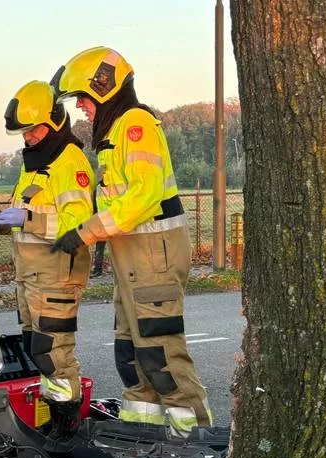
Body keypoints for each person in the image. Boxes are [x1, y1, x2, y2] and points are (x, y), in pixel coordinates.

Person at [51, 47, 212, 434]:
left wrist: (86, 232)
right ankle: (145, 434)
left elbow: (142, 196)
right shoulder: (117, 131)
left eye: (84, 100)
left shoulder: (135, 124)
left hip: (152, 256)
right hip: (133, 259)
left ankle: (198, 438)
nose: (83, 110)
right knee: (131, 352)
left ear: (103, 88)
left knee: (159, 351)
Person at [0, 80, 95, 443]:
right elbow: (27, 215)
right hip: (29, 276)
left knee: (54, 352)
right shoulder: (34, 164)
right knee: (38, 349)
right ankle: (54, 421)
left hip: (57, 275)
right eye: (23, 132)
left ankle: (67, 428)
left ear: (55, 122)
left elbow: (80, 222)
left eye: (34, 130)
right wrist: (0, 222)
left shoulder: (69, 161)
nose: (28, 137)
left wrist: (25, 219)